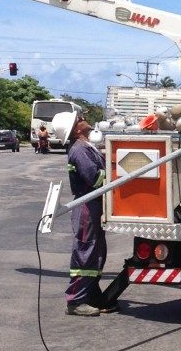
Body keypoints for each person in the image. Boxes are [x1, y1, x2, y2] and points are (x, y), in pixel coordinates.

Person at [65, 116, 111, 316]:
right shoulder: (80, 150)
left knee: (97, 251)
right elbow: (94, 178)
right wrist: (113, 172)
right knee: (86, 250)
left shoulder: (87, 146)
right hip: (86, 206)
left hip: (94, 205)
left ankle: (92, 294)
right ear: (76, 131)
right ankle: (75, 301)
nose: (83, 120)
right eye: (79, 121)